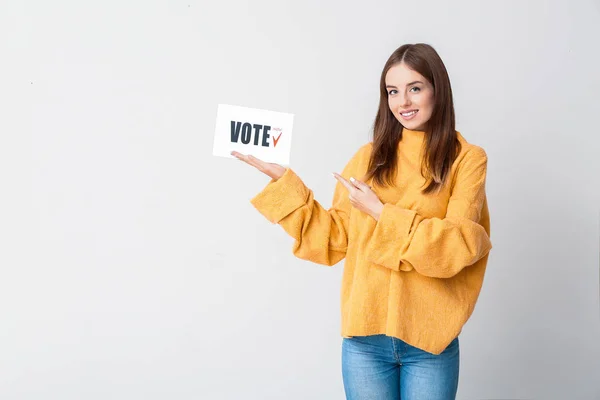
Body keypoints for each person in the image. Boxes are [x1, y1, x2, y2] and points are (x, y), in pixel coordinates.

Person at [232, 43, 492, 400]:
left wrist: (381, 213)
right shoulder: (368, 157)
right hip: (364, 344)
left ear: (437, 90)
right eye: (393, 92)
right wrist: (284, 183)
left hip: (429, 345)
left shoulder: (467, 160)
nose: (404, 102)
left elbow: (457, 246)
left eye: (415, 88)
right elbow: (333, 240)